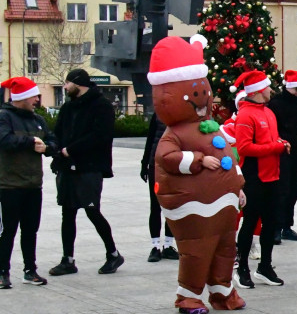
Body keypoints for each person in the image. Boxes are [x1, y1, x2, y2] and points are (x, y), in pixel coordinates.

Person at [147, 35, 247, 314]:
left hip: (224, 204)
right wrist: (198, 160)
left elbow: (229, 157)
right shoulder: (175, 133)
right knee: (197, 249)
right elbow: (165, 158)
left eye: (204, 92)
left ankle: (222, 290)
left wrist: (237, 186)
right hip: (194, 206)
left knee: (226, 248)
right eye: (194, 95)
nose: (202, 100)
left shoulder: (210, 126)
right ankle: (188, 295)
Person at [49, 68, 123, 276]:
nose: (65, 87)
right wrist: (54, 149)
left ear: (78, 83)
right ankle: (68, 260)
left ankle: (113, 254)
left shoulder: (101, 106)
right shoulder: (68, 107)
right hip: (67, 167)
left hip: (90, 168)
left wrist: (70, 149)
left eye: (67, 83)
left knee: (92, 210)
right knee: (67, 212)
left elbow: (101, 135)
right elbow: (58, 132)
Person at [232, 70, 291, 288]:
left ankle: (265, 266)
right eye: (267, 87)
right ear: (257, 91)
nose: (271, 90)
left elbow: (270, 139)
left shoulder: (268, 112)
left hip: (272, 176)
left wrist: (281, 142)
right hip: (254, 177)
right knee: (249, 223)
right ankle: (242, 268)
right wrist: (276, 146)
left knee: (270, 223)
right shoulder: (246, 114)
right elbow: (245, 147)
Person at [0, 77, 57, 288]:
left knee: (30, 230)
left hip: (34, 185)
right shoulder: (4, 117)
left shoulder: (38, 120)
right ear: (21, 97)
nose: (37, 100)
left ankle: (29, 270)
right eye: (34, 96)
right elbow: (4, 140)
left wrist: (49, 148)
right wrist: (31, 142)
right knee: (8, 231)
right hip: (9, 185)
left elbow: (52, 140)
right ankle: (2, 272)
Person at [268, 70, 297, 243]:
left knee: (293, 189)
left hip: (296, 151)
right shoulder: (276, 103)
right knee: (282, 190)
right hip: (282, 152)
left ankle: (287, 225)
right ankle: (276, 227)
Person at [141, 114, 179, 262]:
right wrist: (144, 164)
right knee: (155, 206)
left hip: (173, 166)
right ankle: (155, 246)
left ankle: (168, 245)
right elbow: (150, 139)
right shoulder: (158, 115)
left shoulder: (181, 115)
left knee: (171, 207)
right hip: (155, 165)